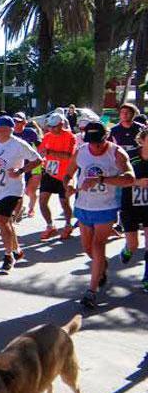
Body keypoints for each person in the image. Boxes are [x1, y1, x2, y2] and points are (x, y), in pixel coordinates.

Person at [64, 122, 135, 309]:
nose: (94, 146)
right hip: (83, 206)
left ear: (106, 137)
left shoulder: (117, 153)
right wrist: (69, 185)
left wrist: (101, 179)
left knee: (98, 244)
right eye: (91, 142)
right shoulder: (81, 150)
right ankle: (101, 268)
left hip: (106, 207)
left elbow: (130, 178)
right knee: (87, 247)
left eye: (98, 142)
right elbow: (69, 173)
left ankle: (92, 290)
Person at [0, 117, 43, 272]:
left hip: (13, 188)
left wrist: (20, 171)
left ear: (7, 130)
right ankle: (16, 250)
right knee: (6, 222)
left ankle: (8, 256)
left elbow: (37, 160)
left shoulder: (18, 144)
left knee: (2, 221)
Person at [38, 112, 77, 241]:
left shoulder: (70, 137)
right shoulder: (47, 136)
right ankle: (50, 225)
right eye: (50, 126)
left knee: (64, 202)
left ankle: (68, 224)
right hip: (49, 173)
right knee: (42, 201)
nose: (52, 129)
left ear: (61, 125)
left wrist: (50, 152)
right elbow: (41, 151)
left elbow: (68, 156)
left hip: (64, 175)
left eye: (55, 126)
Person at [120, 127, 148, 292]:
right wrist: (136, 182)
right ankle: (127, 249)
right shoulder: (130, 156)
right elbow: (119, 179)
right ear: (142, 140)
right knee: (133, 244)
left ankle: (147, 277)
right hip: (130, 205)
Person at [12, 112, 42, 219]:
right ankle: (19, 210)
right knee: (20, 190)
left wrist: (41, 160)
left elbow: (40, 147)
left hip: (33, 165)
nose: (16, 123)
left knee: (30, 190)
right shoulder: (10, 133)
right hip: (18, 165)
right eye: (14, 121)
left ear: (24, 122)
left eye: (19, 121)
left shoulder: (31, 132)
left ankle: (31, 208)